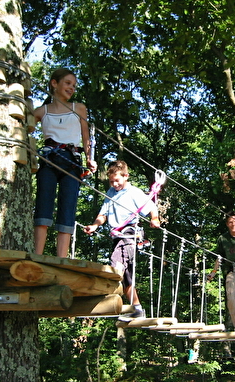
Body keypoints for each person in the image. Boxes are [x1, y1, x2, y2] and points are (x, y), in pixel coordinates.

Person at [33, 68, 97, 257]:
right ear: (54, 83)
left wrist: (89, 158)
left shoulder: (79, 108)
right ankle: (38, 254)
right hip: (49, 159)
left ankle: (61, 258)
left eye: (74, 85)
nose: (72, 88)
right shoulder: (40, 111)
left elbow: (86, 136)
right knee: (43, 204)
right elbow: (25, 127)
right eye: (68, 83)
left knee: (68, 206)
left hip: (72, 161)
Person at [84, 160, 160, 319]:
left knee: (116, 264)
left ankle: (103, 296)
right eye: (111, 181)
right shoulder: (110, 193)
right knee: (126, 277)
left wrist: (155, 219)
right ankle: (137, 309)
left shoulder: (134, 192)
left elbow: (151, 207)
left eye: (117, 180)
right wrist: (95, 226)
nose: (114, 184)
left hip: (130, 233)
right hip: (117, 236)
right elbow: (102, 215)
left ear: (126, 176)